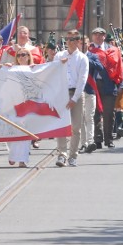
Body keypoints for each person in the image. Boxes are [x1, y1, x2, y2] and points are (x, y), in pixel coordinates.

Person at [55, 29, 88, 167]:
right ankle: (62, 154)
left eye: (73, 39)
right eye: (68, 39)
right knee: (61, 125)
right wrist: (58, 64)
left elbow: (82, 79)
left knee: (76, 127)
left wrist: (74, 99)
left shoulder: (82, 58)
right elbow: (51, 72)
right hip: (62, 93)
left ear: (79, 41)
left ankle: (73, 155)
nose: (70, 41)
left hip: (76, 93)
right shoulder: (59, 55)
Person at [88, 27, 122, 149]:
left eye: (101, 34)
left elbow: (119, 68)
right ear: (92, 36)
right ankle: (98, 138)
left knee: (109, 114)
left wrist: (120, 85)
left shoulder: (113, 50)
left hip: (108, 85)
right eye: (95, 34)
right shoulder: (88, 50)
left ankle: (109, 139)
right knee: (95, 113)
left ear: (104, 37)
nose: (98, 36)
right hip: (93, 84)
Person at [7, 48, 34, 167]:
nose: (22, 57)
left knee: (25, 130)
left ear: (28, 57)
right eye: (19, 55)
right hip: (13, 102)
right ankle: (13, 155)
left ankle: (22, 159)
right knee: (13, 129)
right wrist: (4, 66)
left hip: (28, 102)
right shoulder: (11, 69)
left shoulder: (34, 69)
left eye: (24, 54)